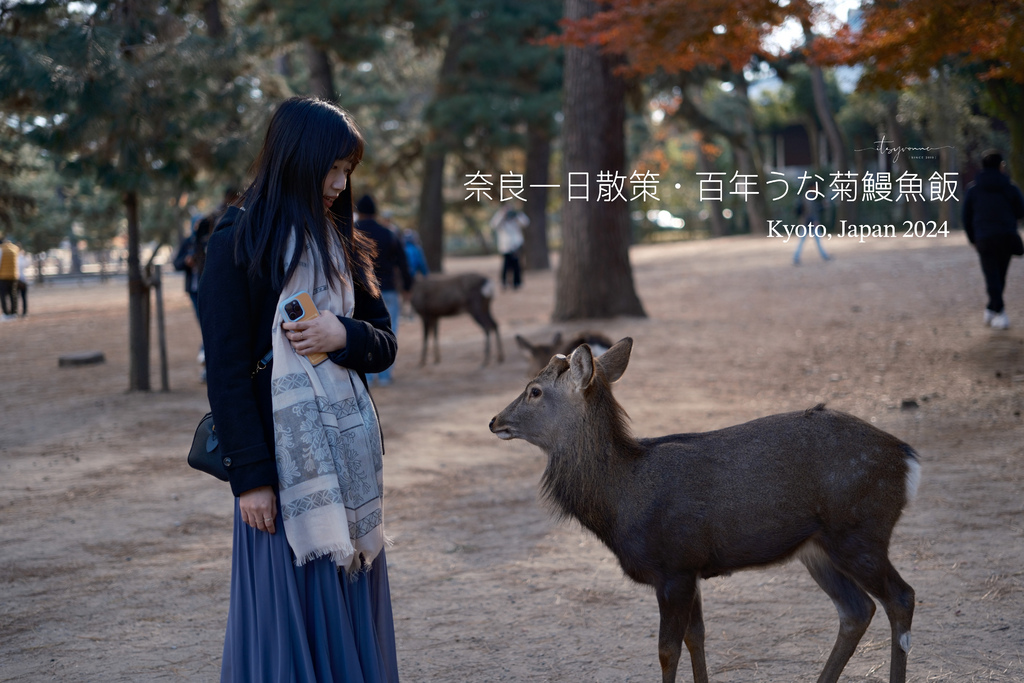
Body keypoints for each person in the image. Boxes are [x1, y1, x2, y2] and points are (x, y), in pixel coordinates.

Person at [197, 97, 400, 683]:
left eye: (347, 170)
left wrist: (343, 334)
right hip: (282, 473)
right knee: (287, 621)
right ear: (296, 160)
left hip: (347, 469)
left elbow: (384, 344)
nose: (340, 183)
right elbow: (227, 373)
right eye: (331, 168)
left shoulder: (342, 243)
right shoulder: (237, 239)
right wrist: (250, 479)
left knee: (343, 606)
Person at [963, 149, 1024, 330]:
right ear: (1000, 166)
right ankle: (996, 310)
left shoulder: (973, 190)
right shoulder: (1011, 188)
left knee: (991, 276)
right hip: (1006, 236)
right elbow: (1021, 212)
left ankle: (996, 309)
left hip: (984, 238)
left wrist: (972, 238)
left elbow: (966, 217)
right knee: (1000, 275)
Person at [355, 194, 412, 386]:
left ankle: (368, 376)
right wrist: (407, 286)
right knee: (389, 331)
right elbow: (403, 262)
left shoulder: (351, 231)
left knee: (362, 331)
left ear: (359, 212)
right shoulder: (388, 233)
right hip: (387, 289)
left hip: (360, 291)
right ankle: (386, 376)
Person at [490, 205, 528, 289]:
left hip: (516, 245)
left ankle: (517, 282)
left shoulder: (516, 218)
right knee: (506, 265)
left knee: (517, 265)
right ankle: (504, 282)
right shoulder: (501, 219)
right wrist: (502, 214)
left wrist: (517, 214)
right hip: (505, 246)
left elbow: (525, 222)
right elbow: (493, 224)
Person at [792, 194, 831, 265]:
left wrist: (822, 206)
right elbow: (811, 212)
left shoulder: (807, 198)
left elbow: (814, 209)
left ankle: (796, 257)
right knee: (816, 241)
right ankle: (824, 256)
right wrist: (815, 220)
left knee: (804, 241)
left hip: (806, 223)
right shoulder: (809, 199)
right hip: (810, 223)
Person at [0, 237, 20, 318]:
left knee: (3, 296)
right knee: (13, 294)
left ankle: (6, 313)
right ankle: (14, 312)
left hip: (3, 276)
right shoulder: (15, 249)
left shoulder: (1, 249)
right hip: (14, 276)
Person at [15, 248, 29, 316]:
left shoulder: (16, 258)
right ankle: (24, 311)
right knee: (23, 297)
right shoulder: (23, 258)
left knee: (16, 297)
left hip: (17, 279)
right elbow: (27, 265)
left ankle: (16, 311)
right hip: (23, 279)